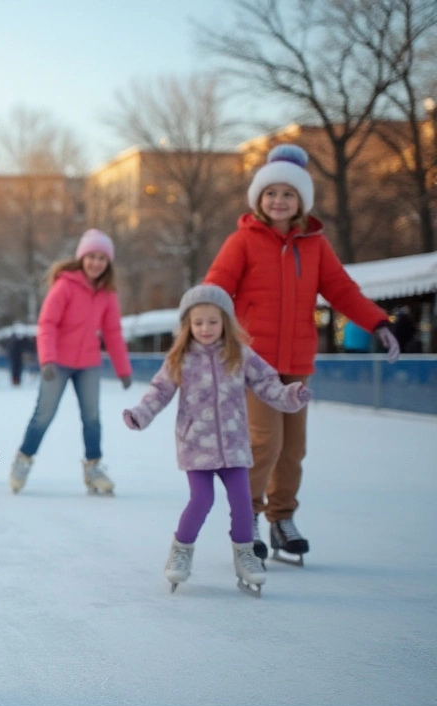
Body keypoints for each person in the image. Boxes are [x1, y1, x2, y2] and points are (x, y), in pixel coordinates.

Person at [204, 144, 399, 564]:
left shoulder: (314, 245)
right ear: (259, 198)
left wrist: (379, 323)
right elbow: (216, 287)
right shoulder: (242, 241)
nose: (278, 201)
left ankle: (282, 519)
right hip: (255, 364)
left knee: (294, 449)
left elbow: (342, 290)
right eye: (271, 193)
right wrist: (207, 334)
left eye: (288, 194)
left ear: (301, 202)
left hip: (297, 364)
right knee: (265, 443)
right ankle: (248, 518)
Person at [122, 285, 311, 595]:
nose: (205, 328)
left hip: (235, 445)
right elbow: (159, 392)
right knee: (202, 499)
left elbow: (267, 384)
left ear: (225, 321)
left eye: (212, 321)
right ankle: (181, 551)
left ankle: (245, 556)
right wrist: (140, 415)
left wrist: (291, 395)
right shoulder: (180, 358)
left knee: (242, 501)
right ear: (187, 326)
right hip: (196, 445)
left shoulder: (240, 355)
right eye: (198, 323)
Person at [8, 229, 133, 496]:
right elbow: (47, 324)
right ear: (82, 258)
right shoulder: (65, 285)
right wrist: (48, 359)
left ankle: (93, 468)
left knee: (92, 417)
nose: (96, 263)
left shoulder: (107, 294)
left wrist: (123, 369)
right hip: (58, 363)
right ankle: (23, 460)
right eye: (92, 257)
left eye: (102, 258)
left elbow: (112, 332)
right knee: (44, 414)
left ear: (108, 262)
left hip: (88, 362)